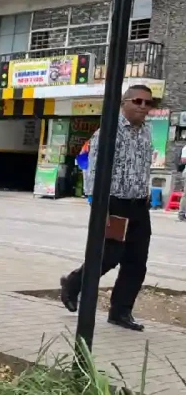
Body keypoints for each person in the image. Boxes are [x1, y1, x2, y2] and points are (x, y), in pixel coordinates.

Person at [60, 85, 156, 332]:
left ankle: (120, 312)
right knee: (109, 256)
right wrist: (97, 206)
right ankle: (73, 284)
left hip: (138, 205)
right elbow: (92, 169)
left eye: (148, 103)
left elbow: (143, 167)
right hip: (113, 203)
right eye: (138, 101)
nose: (143, 107)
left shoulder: (147, 131)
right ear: (124, 102)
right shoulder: (109, 131)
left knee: (137, 262)